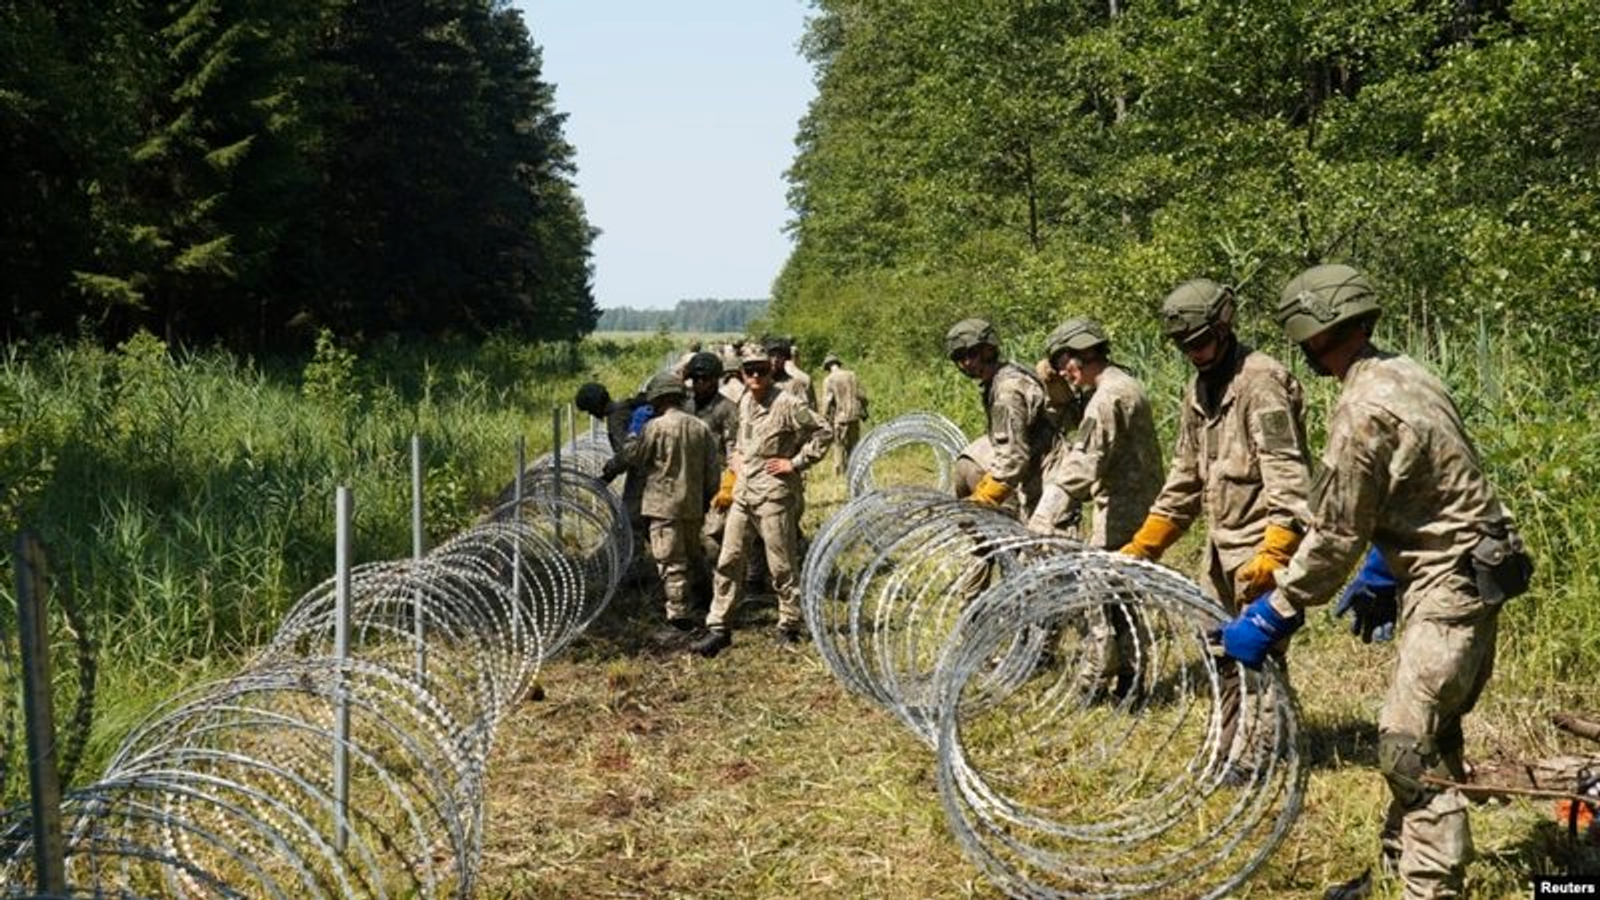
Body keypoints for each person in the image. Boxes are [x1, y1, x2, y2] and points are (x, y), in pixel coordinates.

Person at [1216, 263, 1531, 900]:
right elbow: (1437, 476)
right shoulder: (1406, 372)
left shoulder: (1362, 409)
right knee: (1433, 726)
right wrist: (1386, 568)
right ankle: (1398, 866)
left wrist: (1277, 609)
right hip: (1474, 564)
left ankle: (1427, 888)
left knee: (1404, 741)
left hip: (1452, 580)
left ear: (1311, 333)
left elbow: (1336, 531)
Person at [1118, 279, 1312, 774]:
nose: (1195, 354)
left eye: (1201, 342)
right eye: (1184, 347)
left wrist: (1278, 550)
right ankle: (1231, 741)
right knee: (1221, 653)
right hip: (1220, 549)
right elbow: (1186, 476)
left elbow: (1288, 477)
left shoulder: (1261, 383)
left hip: (1261, 546)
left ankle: (1259, 756)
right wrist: (1145, 544)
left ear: (1225, 328)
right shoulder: (1199, 390)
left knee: (1256, 655)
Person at [1029, 318, 1163, 698]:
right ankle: (1131, 681)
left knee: (1100, 598)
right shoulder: (1123, 385)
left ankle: (1097, 678)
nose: (1061, 372)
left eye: (1063, 362)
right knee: (1123, 598)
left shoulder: (1106, 399)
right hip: (1136, 503)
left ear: (1083, 354)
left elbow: (1083, 462)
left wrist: (1044, 514)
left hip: (1122, 510)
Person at [690, 345, 834, 657]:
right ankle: (719, 627)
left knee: (781, 564)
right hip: (744, 492)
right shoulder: (745, 401)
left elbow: (824, 431)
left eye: (761, 370)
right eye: (750, 371)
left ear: (770, 372)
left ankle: (789, 623)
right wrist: (736, 458)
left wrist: (795, 463)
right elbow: (741, 440)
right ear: (742, 374)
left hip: (773, 493)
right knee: (729, 559)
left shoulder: (787, 403)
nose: (755, 375)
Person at [611, 372, 719, 629]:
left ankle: (679, 617)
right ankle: (707, 600)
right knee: (694, 554)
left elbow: (634, 457)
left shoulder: (654, 427)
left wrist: (633, 434)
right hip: (693, 504)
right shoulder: (700, 427)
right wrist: (705, 499)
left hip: (662, 506)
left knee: (671, 562)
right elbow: (713, 471)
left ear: (657, 399)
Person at [945, 318, 1059, 518]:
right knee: (969, 463)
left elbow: (1013, 458)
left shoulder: (1007, 391)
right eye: (960, 357)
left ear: (989, 349)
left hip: (1048, 475)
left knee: (1042, 536)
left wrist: (984, 498)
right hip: (1034, 465)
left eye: (972, 353)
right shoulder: (1003, 376)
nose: (967, 362)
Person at [685, 351, 740, 605]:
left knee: (713, 539)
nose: (699, 384)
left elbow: (733, 450)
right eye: (695, 379)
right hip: (687, 482)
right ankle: (700, 590)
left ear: (716, 379)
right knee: (688, 541)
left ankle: (722, 594)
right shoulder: (686, 406)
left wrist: (728, 485)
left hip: (716, 482)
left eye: (705, 379)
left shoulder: (726, 409)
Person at [820, 353, 868, 476]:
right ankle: (856, 473)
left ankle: (839, 475)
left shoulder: (829, 380)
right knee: (855, 447)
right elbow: (862, 396)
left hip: (840, 419)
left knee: (839, 448)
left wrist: (823, 420)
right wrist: (863, 411)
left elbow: (827, 402)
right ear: (838, 364)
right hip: (854, 416)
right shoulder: (852, 375)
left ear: (827, 367)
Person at [766, 336, 816, 409]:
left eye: (779, 356)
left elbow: (804, 411)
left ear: (785, 359)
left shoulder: (795, 385)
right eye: (772, 355)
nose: (775, 360)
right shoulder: (761, 384)